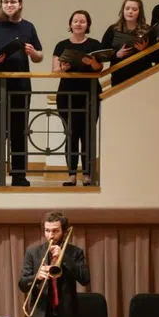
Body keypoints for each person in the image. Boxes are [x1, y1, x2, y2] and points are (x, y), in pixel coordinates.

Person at [0, 0, 43, 187]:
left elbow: (40, 57)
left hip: (21, 85)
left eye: (13, 2)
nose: (9, 5)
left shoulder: (28, 27)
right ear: (1, 5)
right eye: (5, 2)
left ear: (20, 4)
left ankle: (19, 175)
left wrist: (32, 53)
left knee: (19, 130)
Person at [52, 10, 104, 186]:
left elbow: (100, 68)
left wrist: (92, 63)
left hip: (90, 95)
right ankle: (72, 174)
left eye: (82, 21)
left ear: (87, 25)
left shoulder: (94, 44)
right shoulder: (61, 45)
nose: (79, 24)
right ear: (70, 24)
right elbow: (55, 70)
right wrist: (63, 69)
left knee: (88, 135)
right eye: (75, 21)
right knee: (71, 134)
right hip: (67, 95)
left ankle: (88, 175)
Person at [101, 0, 153, 87]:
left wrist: (144, 50)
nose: (130, 11)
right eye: (127, 8)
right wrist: (117, 54)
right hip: (119, 75)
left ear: (139, 12)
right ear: (123, 10)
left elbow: (155, 55)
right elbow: (103, 52)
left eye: (134, 9)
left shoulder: (147, 30)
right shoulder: (113, 29)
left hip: (142, 74)